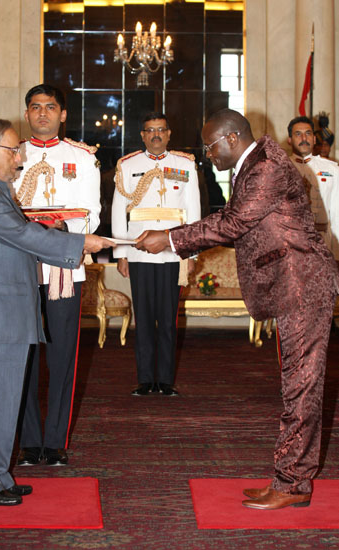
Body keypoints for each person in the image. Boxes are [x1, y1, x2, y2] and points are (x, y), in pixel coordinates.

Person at [135, 108, 339, 510]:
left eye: (209, 146)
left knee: (302, 385)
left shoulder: (265, 168)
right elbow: (240, 224)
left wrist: (172, 239)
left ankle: (293, 483)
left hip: (302, 284)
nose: (207, 154)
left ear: (231, 139)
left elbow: (232, 222)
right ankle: (290, 478)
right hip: (292, 282)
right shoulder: (254, 164)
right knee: (297, 382)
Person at [0, 118, 113, 506]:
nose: (20, 157)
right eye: (13, 150)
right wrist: (79, 242)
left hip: (5, 314)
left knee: (3, 400)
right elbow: (23, 234)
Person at [12, 84, 101, 467]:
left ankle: (56, 441)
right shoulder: (12, 153)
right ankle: (30, 441)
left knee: (63, 356)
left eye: (50, 107)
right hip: (20, 266)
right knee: (24, 355)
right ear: (27, 113)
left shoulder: (81, 157)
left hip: (64, 266)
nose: (43, 114)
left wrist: (59, 229)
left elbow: (92, 214)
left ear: (63, 114)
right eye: (35, 107)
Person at [111, 112, 200, 396]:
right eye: (150, 130)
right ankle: (145, 379)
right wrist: (121, 253)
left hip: (174, 251)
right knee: (145, 318)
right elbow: (118, 210)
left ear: (169, 133)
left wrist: (191, 252)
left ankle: (165, 380)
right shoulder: (128, 165)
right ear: (142, 135)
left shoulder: (184, 164)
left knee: (168, 319)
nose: (156, 135)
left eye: (161, 130)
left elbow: (193, 209)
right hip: (138, 251)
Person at [287, 115, 339, 260]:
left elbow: (337, 213)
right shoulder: (278, 169)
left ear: (314, 139)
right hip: (289, 245)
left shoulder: (332, 170)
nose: (304, 138)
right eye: (298, 134)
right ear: (289, 140)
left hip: (322, 243)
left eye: (308, 133)